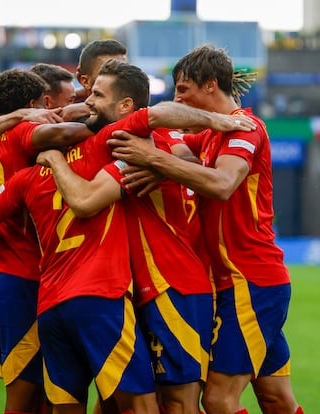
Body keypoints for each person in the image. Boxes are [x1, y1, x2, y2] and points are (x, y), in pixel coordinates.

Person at [0, 59, 254, 413]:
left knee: (65, 405)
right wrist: (217, 122)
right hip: (103, 297)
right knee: (147, 405)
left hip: (55, 301)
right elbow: (158, 120)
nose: (87, 100)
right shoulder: (109, 143)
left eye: (95, 95)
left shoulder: (28, 174)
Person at [105, 45, 304, 414]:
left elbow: (222, 184)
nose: (177, 98)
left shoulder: (247, 128)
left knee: (217, 400)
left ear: (211, 85)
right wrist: (159, 158)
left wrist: (151, 158)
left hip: (251, 281)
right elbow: (177, 150)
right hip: (237, 283)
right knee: (276, 398)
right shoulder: (211, 134)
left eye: (183, 89)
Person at [0, 67, 92, 414]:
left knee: (20, 393)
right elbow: (62, 131)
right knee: (23, 394)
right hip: (18, 274)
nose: (63, 107)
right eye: (63, 101)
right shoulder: (23, 132)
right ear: (39, 103)